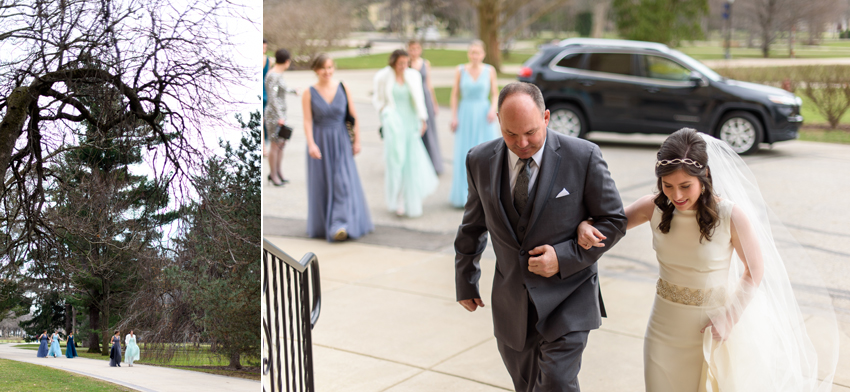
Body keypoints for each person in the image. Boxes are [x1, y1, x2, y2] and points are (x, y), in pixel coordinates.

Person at [578, 128, 838, 391]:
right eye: (668, 186)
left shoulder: (731, 216)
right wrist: (586, 225)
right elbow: (608, 226)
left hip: (711, 328)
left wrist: (729, 317)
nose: (676, 196)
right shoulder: (652, 206)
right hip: (662, 329)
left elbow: (755, 270)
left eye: (685, 186)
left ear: (705, 177)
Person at [453, 82, 627, 392]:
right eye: (511, 134)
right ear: (498, 121)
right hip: (511, 304)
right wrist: (465, 278)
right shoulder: (479, 159)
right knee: (527, 386)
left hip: (569, 297)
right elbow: (472, 225)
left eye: (531, 132)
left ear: (546, 117)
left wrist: (563, 257)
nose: (521, 143)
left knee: (557, 384)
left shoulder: (583, 156)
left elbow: (614, 220)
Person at [303, 53, 373, 241]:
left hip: (341, 139)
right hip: (320, 141)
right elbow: (307, 122)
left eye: (330, 67)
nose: (327, 71)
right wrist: (311, 144)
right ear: (316, 70)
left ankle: (340, 225)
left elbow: (353, 116)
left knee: (342, 182)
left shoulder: (343, 88)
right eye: (323, 68)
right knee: (323, 183)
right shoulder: (308, 92)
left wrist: (357, 141)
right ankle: (325, 224)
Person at [372, 49, 438, 217]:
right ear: (393, 62)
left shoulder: (413, 76)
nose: (403, 67)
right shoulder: (383, 76)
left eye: (406, 63)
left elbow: (419, 100)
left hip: (410, 123)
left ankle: (410, 200)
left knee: (412, 162)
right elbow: (378, 100)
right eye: (400, 63)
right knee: (397, 161)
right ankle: (397, 199)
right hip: (394, 124)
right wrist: (385, 114)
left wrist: (423, 119)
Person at [448, 40, 500, 208]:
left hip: (484, 116)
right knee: (465, 154)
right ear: (468, 54)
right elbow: (455, 94)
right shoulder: (460, 70)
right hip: (465, 114)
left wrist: (493, 109)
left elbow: (494, 93)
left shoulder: (490, 70)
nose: (475, 55)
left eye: (478, 52)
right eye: (472, 52)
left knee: (485, 154)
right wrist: (454, 116)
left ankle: (485, 195)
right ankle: (464, 195)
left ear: (483, 54)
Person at [407, 40, 443, 175]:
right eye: (412, 49)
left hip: (425, 98)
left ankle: (432, 163)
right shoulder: (406, 63)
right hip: (412, 100)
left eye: (417, 48)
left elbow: (429, 84)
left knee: (429, 130)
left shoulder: (425, 63)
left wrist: (434, 103)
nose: (414, 52)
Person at [264, 48, 298, 186]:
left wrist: (293, 90)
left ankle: (278, 172)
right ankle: (273, 175)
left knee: (281, 144)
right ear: (287, 61)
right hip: (274, 115)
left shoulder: (278, 74)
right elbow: (272, 98)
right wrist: (279, 116)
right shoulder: (273, 75)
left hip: (280, 114)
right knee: (274, 144)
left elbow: (281, 89)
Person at [262, 39, 272, 157]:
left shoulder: (268, 60)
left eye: (265, 48)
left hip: (264, 93)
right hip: (264, 92)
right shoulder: (268, 60)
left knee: (262, 120)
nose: (264, 50)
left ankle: (264, 148)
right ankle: (263, 148)